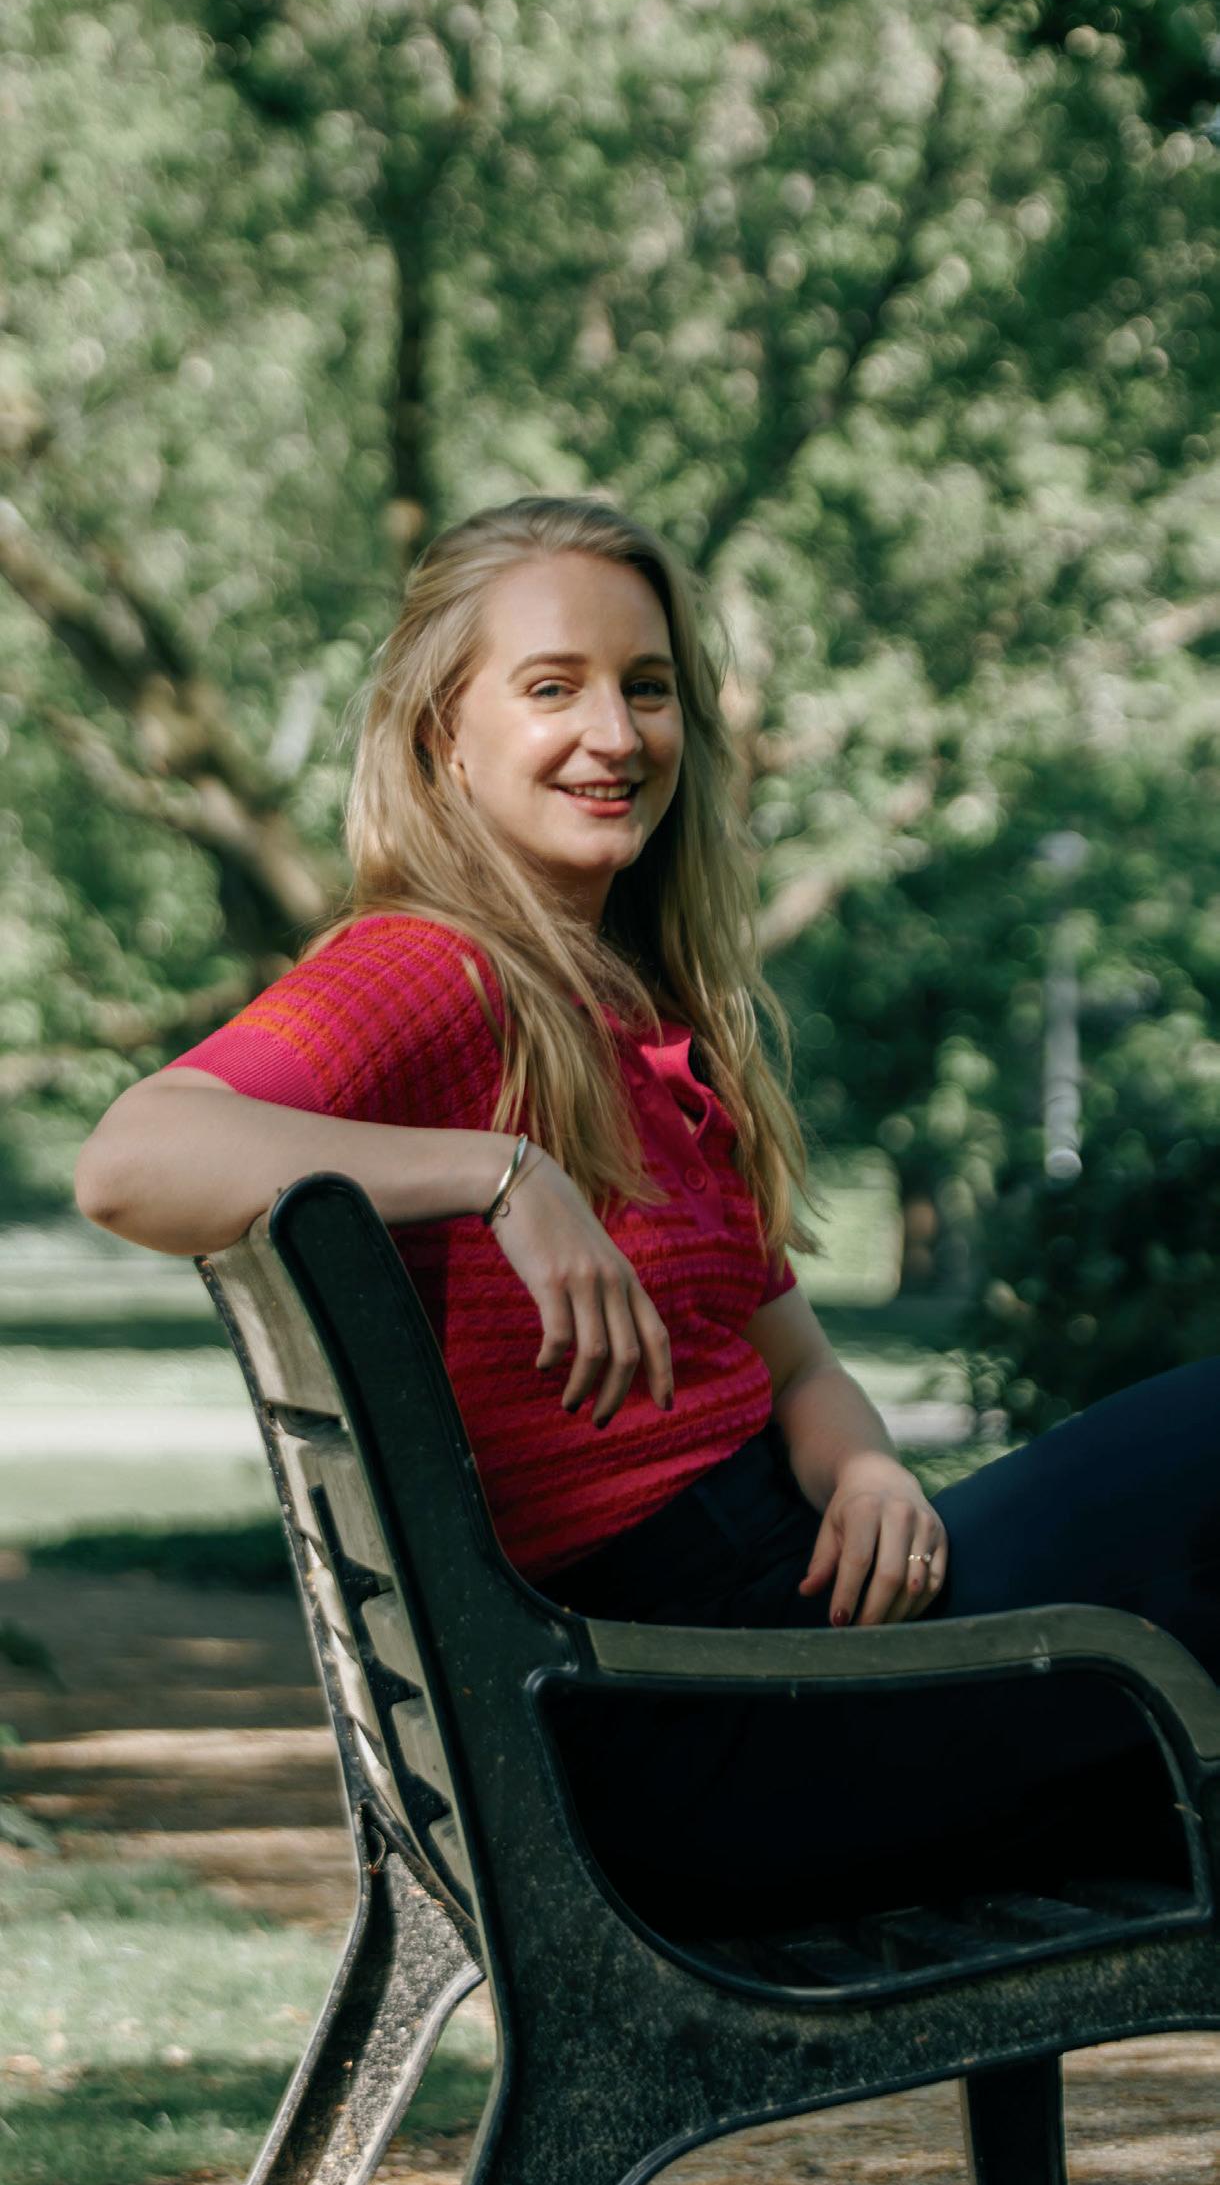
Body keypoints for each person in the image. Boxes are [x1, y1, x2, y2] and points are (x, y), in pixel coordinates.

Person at [76, 494, 1219, 1935]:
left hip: (793, 1637)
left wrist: (866, 1468)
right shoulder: (427, 972)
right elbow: (133, 1159)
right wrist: (500, 1173)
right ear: (443, 735)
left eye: (649, 687)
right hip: (700, 1712)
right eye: (552, 688)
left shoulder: (637, 1015)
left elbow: (798, 1365)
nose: (614, 735)